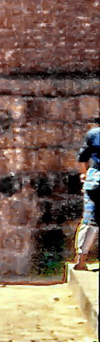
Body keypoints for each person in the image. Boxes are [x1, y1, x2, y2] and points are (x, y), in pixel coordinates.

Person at [76, 115, 100, 270]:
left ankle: (81, 260)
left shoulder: (93, 134)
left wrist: (84, 175)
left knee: (90, 220)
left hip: (95, 180)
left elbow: (82, 158)